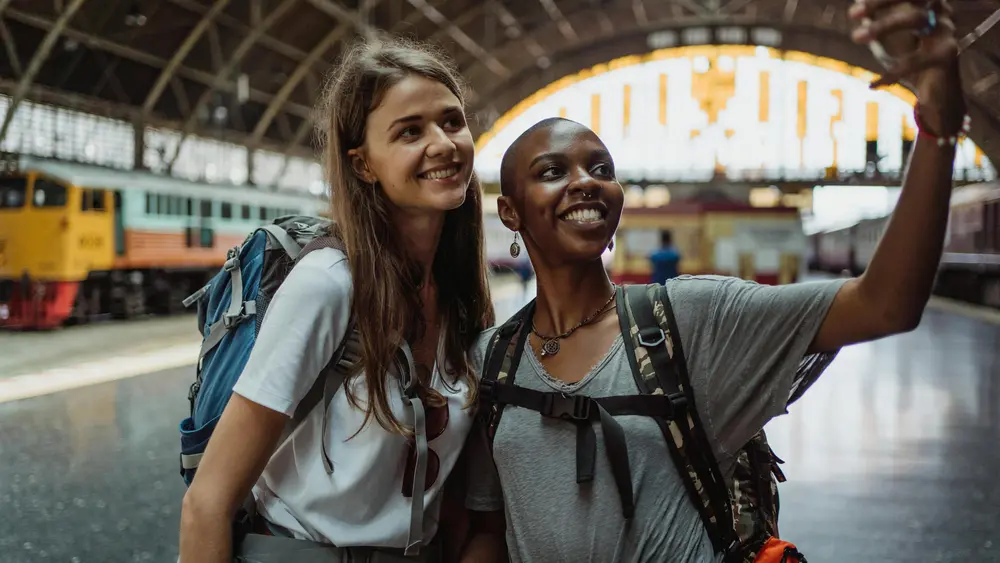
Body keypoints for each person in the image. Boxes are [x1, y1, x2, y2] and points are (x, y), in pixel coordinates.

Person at [460, 0, 968, 560]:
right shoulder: (493, 359)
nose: (586, 183)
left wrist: (938, 130)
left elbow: (885, 304)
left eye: (601, 169)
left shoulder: (689, 321)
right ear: (509, 212)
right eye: (553, 171)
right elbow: (488, 531)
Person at [179, 35, 494, 563]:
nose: (442, 143)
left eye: (452, 121)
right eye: (410, 132)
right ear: (363, 164)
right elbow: (207, 503)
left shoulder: (464, 303)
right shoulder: (329, 284)